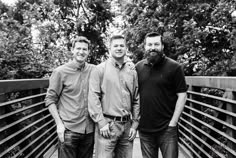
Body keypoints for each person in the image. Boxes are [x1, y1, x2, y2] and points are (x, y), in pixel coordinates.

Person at [135, 32, 187, 158]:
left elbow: (182, 95)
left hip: (167, 129)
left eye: (156, 44)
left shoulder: (175, 67)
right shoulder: (138, 67)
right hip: (145, 130)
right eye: (150, 44)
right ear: (145, 47)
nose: (153, 47)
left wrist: (173, 123)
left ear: (162, 46)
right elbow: (133, 96)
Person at [88, 34, 140, 158]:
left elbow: (136, 98)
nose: (119, 48)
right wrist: (101, 122)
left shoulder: (132, 71)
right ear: (109, 48)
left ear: (126, 48)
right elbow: (93, 98)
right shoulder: (100, 69)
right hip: (107, 125)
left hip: (127, 126)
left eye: (122, 45)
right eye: (115, 45)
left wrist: (135, 124)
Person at [45, 36, 95, 158]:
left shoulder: (94, 70)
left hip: (89, 130)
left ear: (88, 51)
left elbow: (110, 69)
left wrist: (128, 64)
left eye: (84, 49)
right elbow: (50, 99)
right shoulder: (60, 72)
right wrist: (59, 124)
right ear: (72, 50)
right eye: (78, 48)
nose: (81, 52)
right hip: (69, 130)